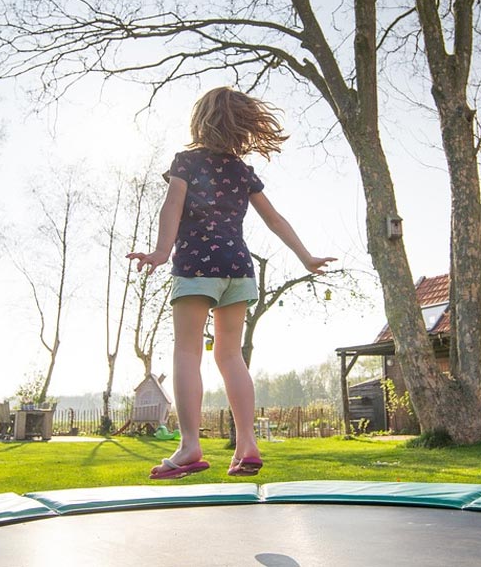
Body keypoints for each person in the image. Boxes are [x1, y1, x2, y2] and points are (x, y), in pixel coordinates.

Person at [127, 86, 335, 479]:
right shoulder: (242, 171)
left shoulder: (186, 162)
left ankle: (190, 446)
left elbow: (171, 205)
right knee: (230, 355)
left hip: (196, 267)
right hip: (238, 268)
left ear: (201, 121)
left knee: (187, 353)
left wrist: (159, 252)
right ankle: (247, 444)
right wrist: (305, 256)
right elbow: (275, 219)